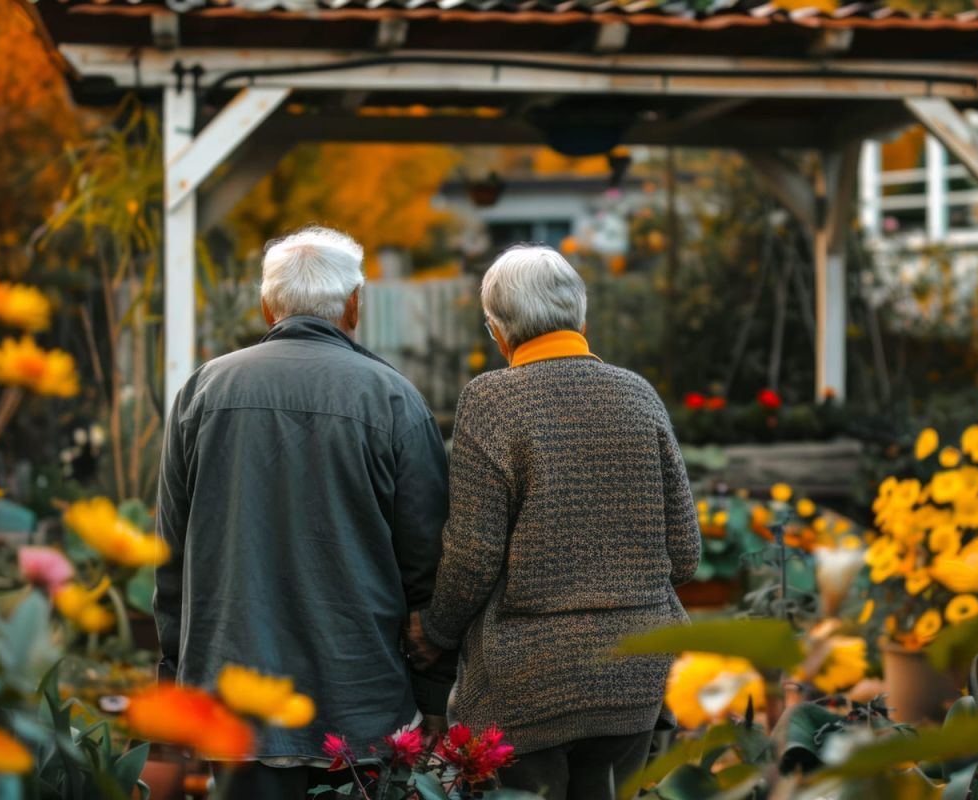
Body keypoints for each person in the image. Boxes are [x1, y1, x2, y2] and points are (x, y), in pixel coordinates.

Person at [155, 226, 449, 798]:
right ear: (354, 306)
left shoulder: (204, 391)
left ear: (268, 305)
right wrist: (434, 693)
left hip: (234, 695)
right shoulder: (393, 399)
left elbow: (172, 551)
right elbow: (428, 566)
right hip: (359, 700)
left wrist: (175, 674)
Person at [409, 244, 702, 800]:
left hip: (528, 683)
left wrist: (436, 631)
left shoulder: (491, 401)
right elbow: (685, 554)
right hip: (635, 672)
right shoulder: (638, 394)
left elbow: (472, 555)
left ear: (497, 329)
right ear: (581, 318)